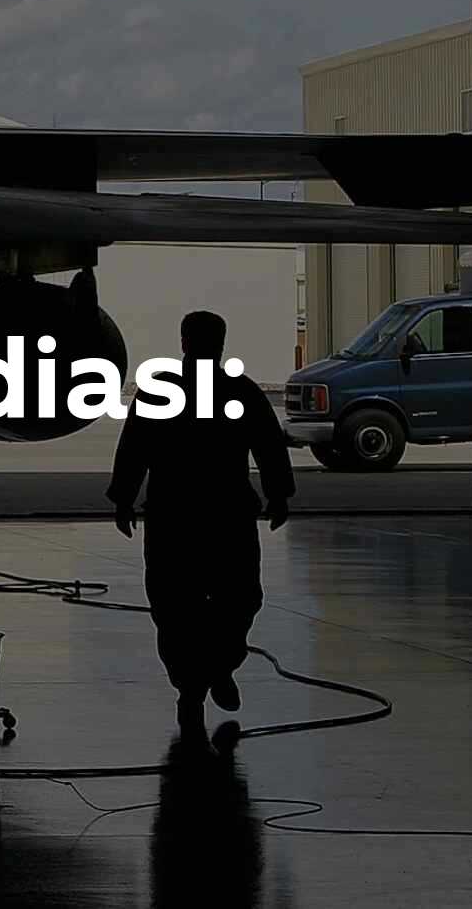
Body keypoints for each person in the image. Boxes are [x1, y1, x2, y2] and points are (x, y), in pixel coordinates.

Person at [107, 310, 293, 738]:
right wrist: (278, 494)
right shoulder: (241, 391)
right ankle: (216, 669)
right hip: (227, 515)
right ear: (220, 344)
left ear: (183, 342)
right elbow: (268, 445)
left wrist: (123, 498)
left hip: (174, 517)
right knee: (237, 599)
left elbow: (133, 446)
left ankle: (192, 685)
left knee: (175, 607)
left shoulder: (160, 390)